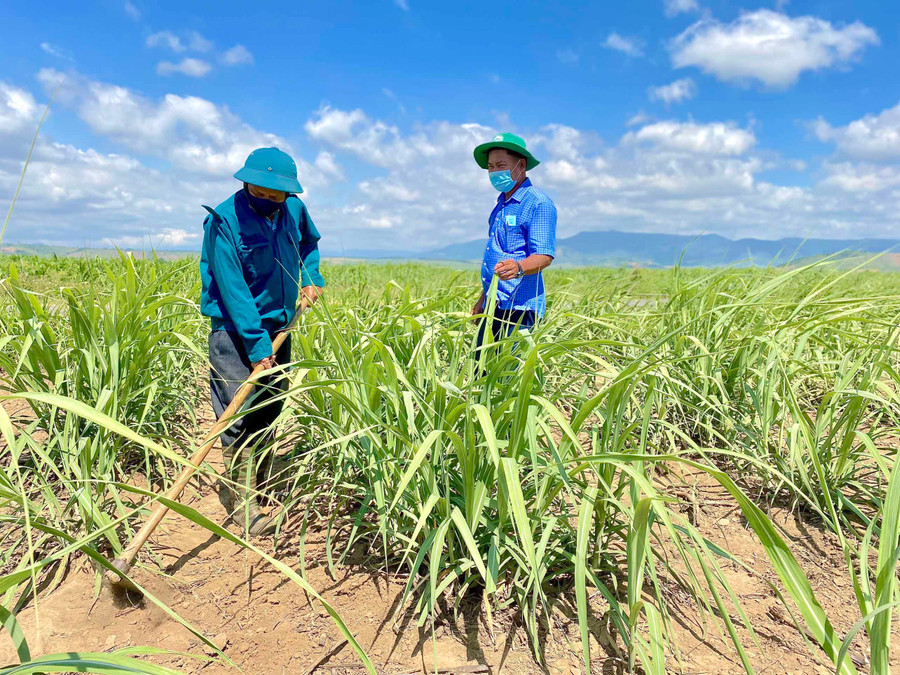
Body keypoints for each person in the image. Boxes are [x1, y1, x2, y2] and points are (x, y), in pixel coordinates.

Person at [200, 146, 325, 535]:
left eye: (277, 196)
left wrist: (311, 278)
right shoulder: (224, 222)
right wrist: (256, 349)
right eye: (261, 193)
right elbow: (233, 289)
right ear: (245, 183)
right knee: (237, 415)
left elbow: (309, 244)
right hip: (235, 335)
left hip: (280, 328)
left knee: (271, 406)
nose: (269, 201)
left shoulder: (293, 211)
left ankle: (263, 479)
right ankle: (240, 499)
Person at [471, 133, 557, 356]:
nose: (494, 172)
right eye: (490, 167)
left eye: (501, 165)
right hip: (493, 305)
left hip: (520, 308)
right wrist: (483, 298)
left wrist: (518, 267)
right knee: (480, 370)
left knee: (510, 375)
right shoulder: (501, 204)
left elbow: (544, 256)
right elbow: (496, 252)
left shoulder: (538, 203)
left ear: (521, 165)